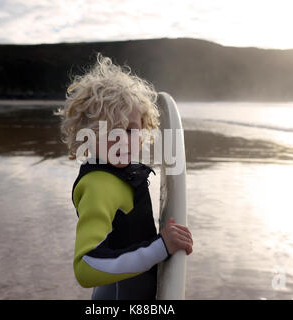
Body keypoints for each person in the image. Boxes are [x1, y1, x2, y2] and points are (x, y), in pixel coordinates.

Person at [58, 53, 193, 300]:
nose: (122, 140)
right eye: (110, 129)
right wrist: (160, 248)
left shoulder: (120, 171)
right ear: (86, 133)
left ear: (144, 128)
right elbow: (86, 267)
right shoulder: (98, 186)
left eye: (131, 130)